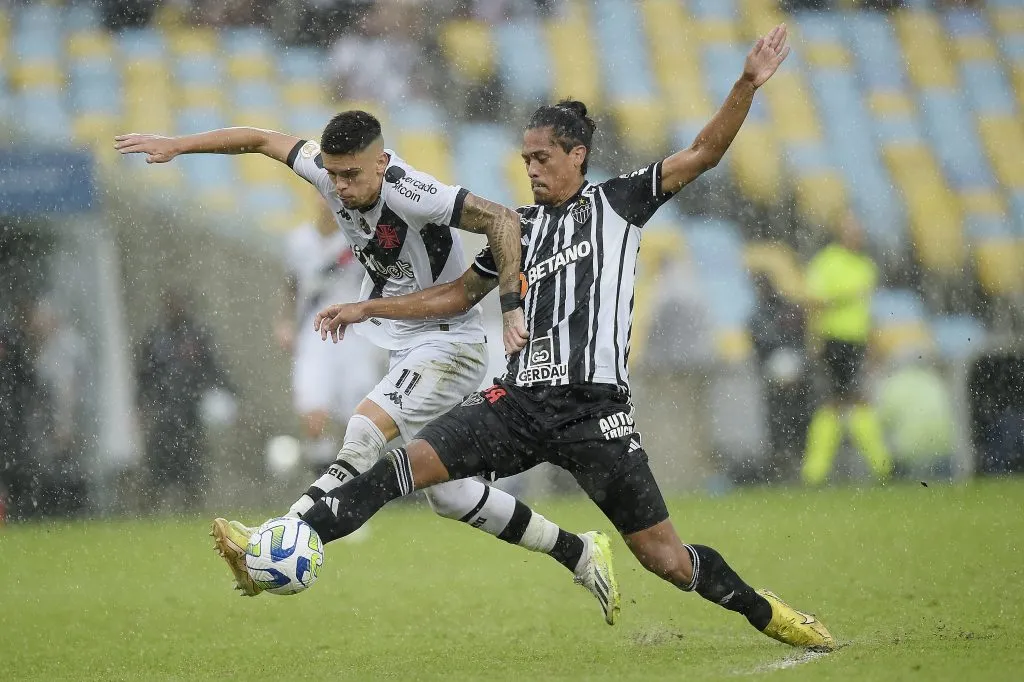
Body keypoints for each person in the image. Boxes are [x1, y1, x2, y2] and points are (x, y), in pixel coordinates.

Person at [310, 25, 835, 650]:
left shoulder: (619, 203)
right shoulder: (517, 229)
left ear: (577, 155)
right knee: (405, 465)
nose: (530, 170)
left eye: (542, 158)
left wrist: (746, 84)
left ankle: (762, 611)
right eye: (525, 159)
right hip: (520, 404)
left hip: (597, 414)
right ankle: (300, 539)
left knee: (668, 561)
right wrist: (367, 306)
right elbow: (455, 297)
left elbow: (703, 153)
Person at [114, 112, 618, 623]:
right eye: (332, 175)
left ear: (381, 162)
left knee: (364, 423)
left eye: (351, 175)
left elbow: (503, 220)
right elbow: (261, 138)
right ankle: (578, 552)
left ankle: (277, 532)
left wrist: (511, 303)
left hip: (450, 344)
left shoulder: (412, 192)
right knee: (448, 496)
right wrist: (178, 144)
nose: (339, 186)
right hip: (405, 344)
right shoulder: (328, 172)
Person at [275, 200, 383, 471]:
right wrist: (285, 322)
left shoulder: (357, 239)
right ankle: (323, 479)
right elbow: (291, 285)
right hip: (315, 335)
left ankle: (355, 477)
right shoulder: (299, 241)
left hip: (355, 336)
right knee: (313, 413)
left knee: (358, 417)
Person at [801, 212, 893, 485]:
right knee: (840, 401)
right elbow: (814, 303)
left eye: (859, 230)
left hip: (857, 342)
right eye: (851, 230)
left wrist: (874, 343)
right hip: (833, 341)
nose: (857, 235)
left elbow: (868, 312)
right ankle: (818, 471)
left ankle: (878, 467)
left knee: (849, 401)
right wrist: (815, 340)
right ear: (840, 234)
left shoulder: (866, 266)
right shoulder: (826, 263)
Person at [136, 290, 233, 510]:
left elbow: (215, 370)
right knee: (158, 468)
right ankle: (151, 511)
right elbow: (144, 376)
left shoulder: (197, 335)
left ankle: (192, 510)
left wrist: (230, 395)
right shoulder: (155, 338)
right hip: (163, 414)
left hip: (191, 415)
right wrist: (140, 407)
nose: (174, 308)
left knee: (192, 469)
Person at [748, 273, 810, 481]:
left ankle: (787, 462)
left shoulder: (775, 312)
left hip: (789, 376)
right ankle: (783, 462)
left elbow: (763, 342)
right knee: (782, 422)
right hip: (781, 378)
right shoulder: (766, 314)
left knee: (786, 422)